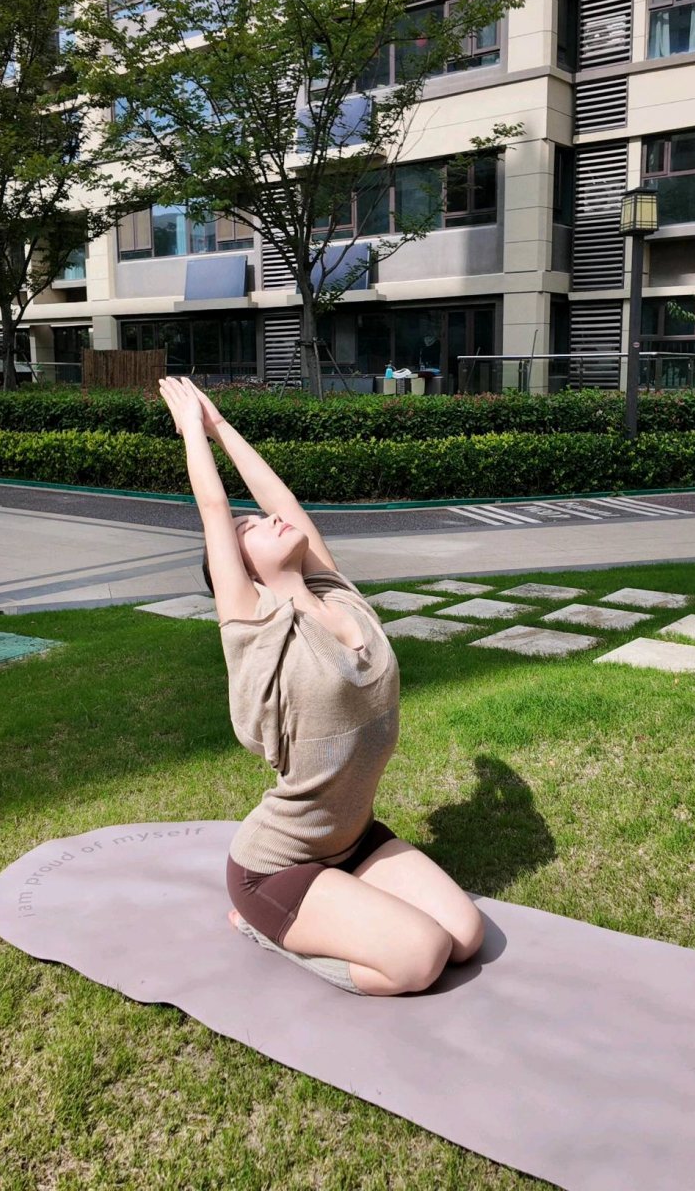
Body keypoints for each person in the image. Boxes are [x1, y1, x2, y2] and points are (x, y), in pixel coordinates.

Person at [158, 376, 484, 996]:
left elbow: (282, 501)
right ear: (243, 570)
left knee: (465, 937)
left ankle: (336, 904)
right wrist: (193, 432)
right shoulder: (257, 628)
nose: (271, 521)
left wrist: (222, 425)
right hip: (277, 867)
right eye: (254, 529)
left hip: (353, 840)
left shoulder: (337, 593)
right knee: (420, 959)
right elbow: (214, 511)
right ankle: (264, 930)